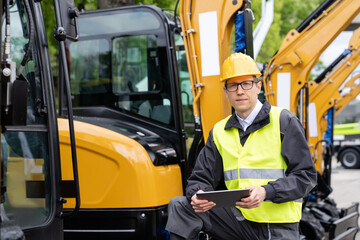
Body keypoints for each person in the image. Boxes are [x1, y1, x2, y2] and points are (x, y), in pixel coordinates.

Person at [165, 52, 317, 240]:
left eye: (246, 84)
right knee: (181, 205)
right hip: (238, 221)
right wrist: (198, 194)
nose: (240, 91)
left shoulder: (284, 121)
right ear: (225, 91)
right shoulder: (219, 131)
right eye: (233, 85)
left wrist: (265, 192)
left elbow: (306, 176)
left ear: (258, 87)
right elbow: (200, 177)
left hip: (277, 227)